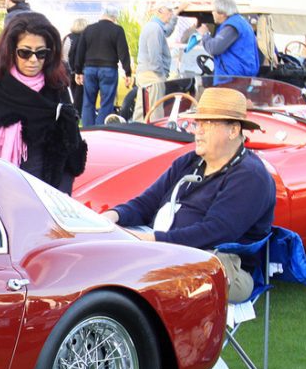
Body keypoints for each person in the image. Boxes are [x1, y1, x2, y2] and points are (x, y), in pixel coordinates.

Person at [102, 87, 274, 303]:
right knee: (106, 259)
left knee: (127, 275)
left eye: (207, 124)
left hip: (220, 265)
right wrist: (111, 217)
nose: (197, 131)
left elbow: (215, 232)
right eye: (197, 123)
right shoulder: (189, 162)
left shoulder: (250, 176)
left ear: (233, 130)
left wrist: (151, 241)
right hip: (167, 251)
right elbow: (148, 202)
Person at [0, 11, 86, 192]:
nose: (33, 60)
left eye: (41, 53)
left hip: (42, 193)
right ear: (10, 51)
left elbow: (70, 145)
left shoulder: (56, 85)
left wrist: (60, 197)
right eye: (25, 52)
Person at [72, 7, 131, 126]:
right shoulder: (117, 30)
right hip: (109, 69)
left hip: (89, 69)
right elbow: (123, 52)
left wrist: (78, 71)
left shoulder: (89, 29)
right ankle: (100, 129)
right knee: (107, 103)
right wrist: (128, 72)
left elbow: (80, 51)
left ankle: (88, 130)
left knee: (88, 102)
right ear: (114, 17)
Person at [203, 0, 260, 84]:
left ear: (222, 12)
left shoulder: (232, 26)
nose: (212, 13)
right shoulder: (240, 22)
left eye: (213, 11)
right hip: (239, 75)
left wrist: (205, 34)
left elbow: (214, 48)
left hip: (232, 78)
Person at [136, 3, 177, 117]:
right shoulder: (154, 28)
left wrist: (175, 16)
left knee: (142, 111)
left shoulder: (155, 27)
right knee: (155, 112)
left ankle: (136, 131)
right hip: (153, 75)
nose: (170, 15)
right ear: (160, 11)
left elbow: (167, 31)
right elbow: (155, 55)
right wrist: (161, 74)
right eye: (169, 12)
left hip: (147, 73)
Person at [63, 18, 87, 110]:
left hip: (69, 70)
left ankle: (72, 111)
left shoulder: (68, 37)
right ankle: (78, 113)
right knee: (80, 94)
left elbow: (64, 55)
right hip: (81, 70)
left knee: (71, 93)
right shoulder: (85, 38)